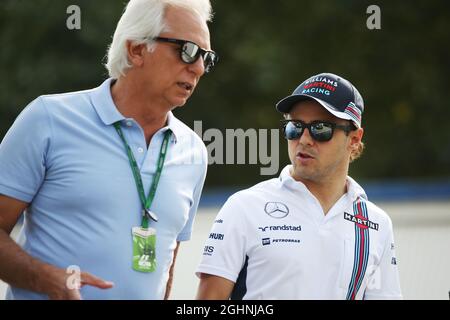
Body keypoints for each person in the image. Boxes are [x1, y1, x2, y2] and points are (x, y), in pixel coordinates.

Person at [0, 0, 218, 300]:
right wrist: (49, 281)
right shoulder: (47, 119)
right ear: (136, 50)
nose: (198, 67)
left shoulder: (193, 150)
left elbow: (165, 268)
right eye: (187, 50)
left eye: (206, 57)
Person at [196, 72, 402, 300]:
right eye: (295, 126)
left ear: (354, 139)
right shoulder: (244, 206)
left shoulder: (376, 224)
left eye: (321, 128)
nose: (303, 139)